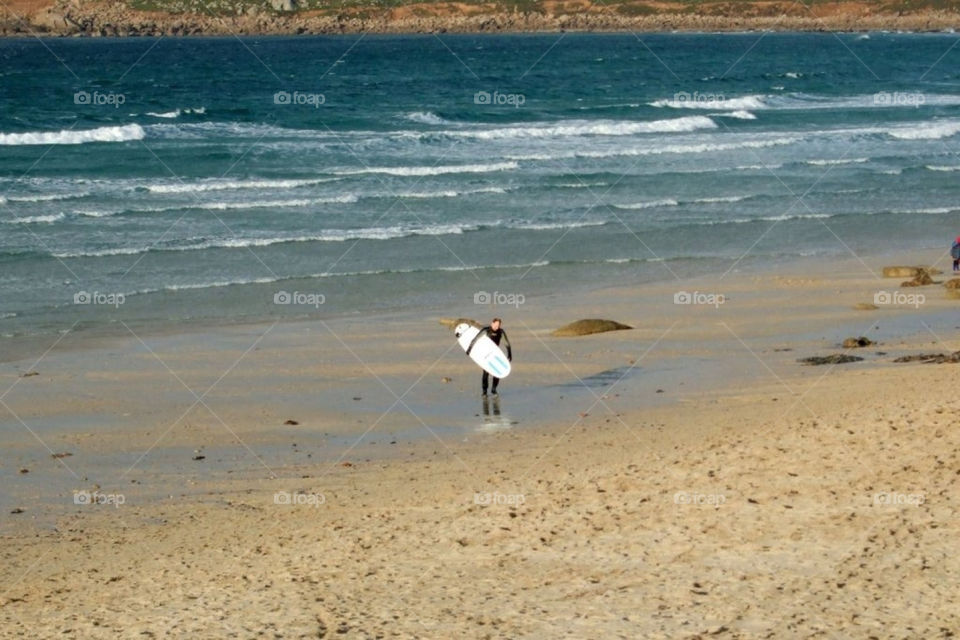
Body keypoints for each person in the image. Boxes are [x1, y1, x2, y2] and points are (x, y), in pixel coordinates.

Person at [481, 317, 512, 396]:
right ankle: (484, 391)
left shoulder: (501, 331)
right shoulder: (486, 330)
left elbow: (506, 343)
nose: (496, 327)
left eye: (498, 325)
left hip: (495, 354)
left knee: (497, 372)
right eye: (495, 325)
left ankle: (494, 389)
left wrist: (509, 353)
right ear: (492, 323)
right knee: (485, 373)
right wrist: (470, 349)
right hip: (486, 354)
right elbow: (476, 339)